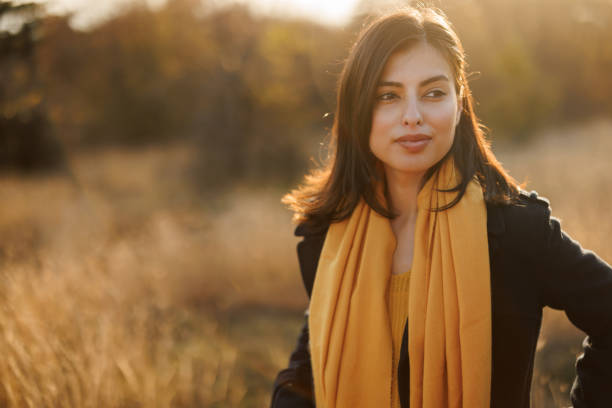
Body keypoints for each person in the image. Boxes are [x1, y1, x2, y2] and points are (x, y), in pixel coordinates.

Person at [270, 6, 612, 408]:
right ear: (359, 108)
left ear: (459, 100)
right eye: (388, 96)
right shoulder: (327, 234)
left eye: (433, 93)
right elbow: (313, 355)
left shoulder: (515, 229)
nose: (412, 116)